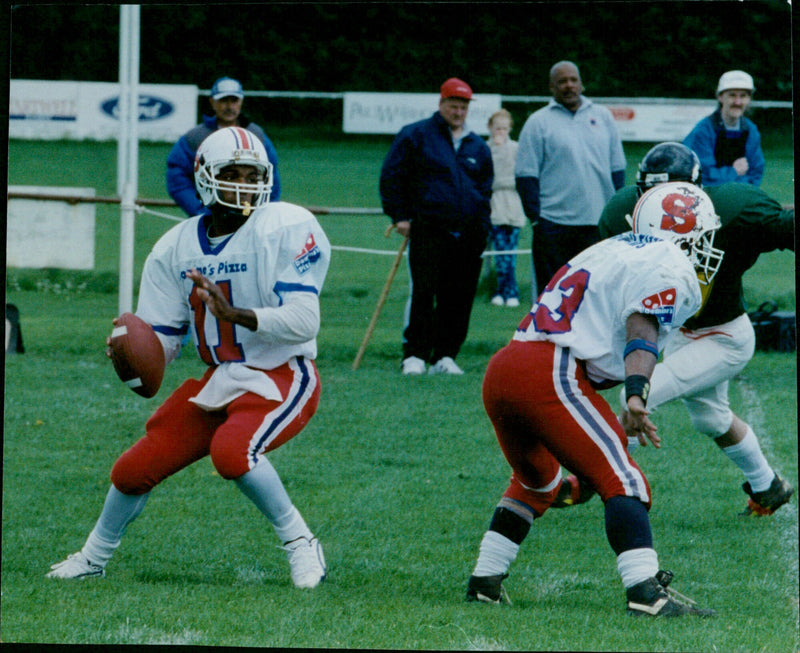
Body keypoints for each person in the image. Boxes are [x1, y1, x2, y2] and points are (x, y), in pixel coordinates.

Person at [46, 127, 330, 589]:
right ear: (203, 178)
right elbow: (164, 338)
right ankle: (93, 556)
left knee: (233, 452)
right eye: (231, 173)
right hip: (221, 377)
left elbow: (304, 322)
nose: (243, 184)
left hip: (282, 373)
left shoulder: (284, 225)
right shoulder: (174, 246)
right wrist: (131, 351)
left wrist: (232, 312)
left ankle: (300, 542)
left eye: (252, 174)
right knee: (133, 469)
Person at [466, 182, 723, 616]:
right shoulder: (669, 262)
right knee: (624, 478)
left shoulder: (611, 247)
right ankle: (645, 593)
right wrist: (637, 395)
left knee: (536, 482)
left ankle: (484, 582)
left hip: (506, 366)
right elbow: (642, 328)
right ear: (687, 233)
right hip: (551, 370)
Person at [554, 141, 793, 516]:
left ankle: (590, 480)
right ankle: (769, 487)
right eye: (652, 195)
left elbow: (785, 227)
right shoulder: (622, 212)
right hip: (680, 333)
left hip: (725, 335)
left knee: (637, 395)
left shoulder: (731, 210)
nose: (664, 209)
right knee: (711, 417)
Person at [379, 77, 493, 375]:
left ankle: (445, 356)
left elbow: (484, 189)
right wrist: (399, 216)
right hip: (429, 229)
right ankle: (414, 355)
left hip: (468, 234)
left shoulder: (477, 146)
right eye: (453, 105)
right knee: (424, 292)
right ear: (441, 104)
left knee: (459, 296)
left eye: (463, 107)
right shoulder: (416, 135)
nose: (458, 112)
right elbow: (392, 177)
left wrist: (482, 227)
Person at [515, 60, 626, 298]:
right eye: (562, 81)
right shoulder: (537, 122)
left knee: (595, 295)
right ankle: (547, 338)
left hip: (596, 224)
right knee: (551, 298)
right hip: (553, 226)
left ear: (582, 84)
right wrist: (537, 220)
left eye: (573, 80)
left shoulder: (603, 117)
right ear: (551, 87)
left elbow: (618, 169)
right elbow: (525, 175)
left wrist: (614, 215)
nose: (569, 86)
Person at [166, 76, 282, 217]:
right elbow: (177, 177)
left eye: (234, 100)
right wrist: (201, 210)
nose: (229, 106)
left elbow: (271, 176)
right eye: (223, 100)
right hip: (211, 217)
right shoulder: (194, 138)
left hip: (250, 215)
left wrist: (262, 212)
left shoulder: (256, 135)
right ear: (212, 102)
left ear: (241, 102)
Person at [683, 70, 765, 187]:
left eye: (743, 96)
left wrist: (741, 191)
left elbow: (755, 174)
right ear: (720, 97)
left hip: (741, 195)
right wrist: (733, 172)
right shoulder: (703, 131)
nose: (738, 102)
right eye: (732, 95)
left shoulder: (751, 130)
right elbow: (702, 175)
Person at [486, 109, 526, 308]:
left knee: (510, 251)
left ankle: (509, 290)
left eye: (504, 128)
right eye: (497, 128)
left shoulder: (517, 148)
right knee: (500, 250)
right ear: (490, 128)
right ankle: (504, 290)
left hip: (513, 203)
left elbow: (519, 175)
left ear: (509, 128)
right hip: (495, 205)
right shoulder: (485, 149)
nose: (500, 132)